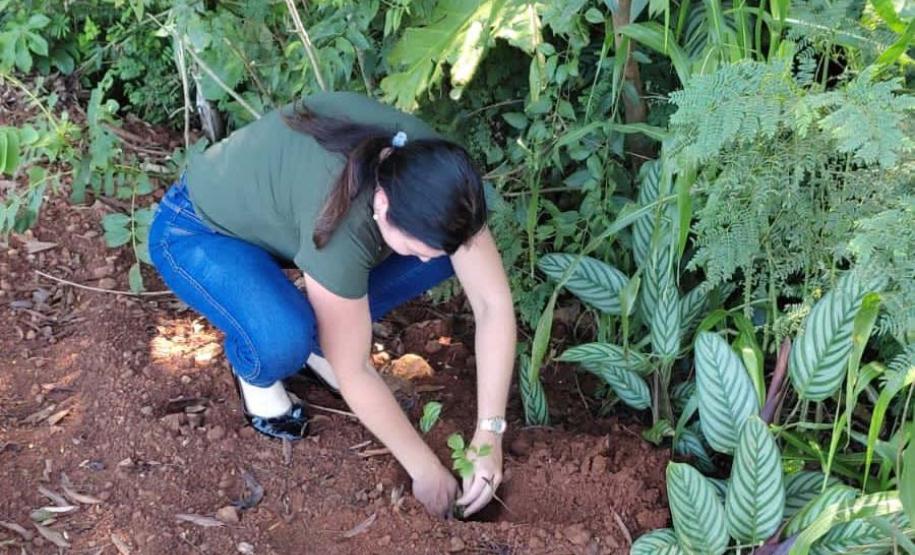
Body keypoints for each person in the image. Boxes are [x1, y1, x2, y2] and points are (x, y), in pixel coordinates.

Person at [147, 92, 516, 519]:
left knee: (445, 258)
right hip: (199, 230)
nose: (422, 259)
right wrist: (425, 471)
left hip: (288, 222)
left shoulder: (439, 177)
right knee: (283, 338)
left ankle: (321, 330)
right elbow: (354, 371)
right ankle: (257, 369)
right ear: (383, 205)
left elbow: (492, 303)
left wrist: (490, 436)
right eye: (414, 246)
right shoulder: (343, 228)